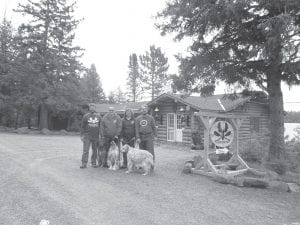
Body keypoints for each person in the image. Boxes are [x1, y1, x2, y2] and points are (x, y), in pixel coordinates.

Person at [80, 103, 101, 169]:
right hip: (87, 136)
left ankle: (93, 163)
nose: (92, 108)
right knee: (85, 150)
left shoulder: (99, 116)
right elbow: (82, 127)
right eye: (91, 107)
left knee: (95, 150)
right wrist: (82, 135)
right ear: (89, 108)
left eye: (93, 107)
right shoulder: (85, 116)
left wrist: (101, 135)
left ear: (95, 108)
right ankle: (84, 163)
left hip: (96, 136)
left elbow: (101, 127)